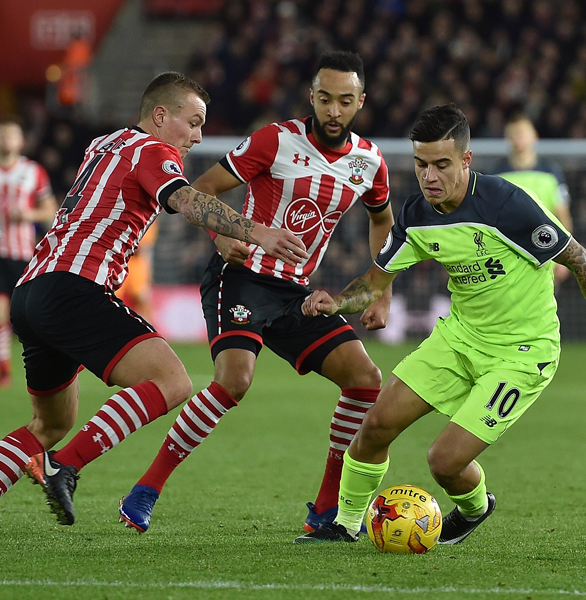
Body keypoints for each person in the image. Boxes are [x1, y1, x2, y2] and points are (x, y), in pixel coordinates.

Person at [0, 71, 307, 545]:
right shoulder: (154, 150)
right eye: (192, 123)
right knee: (172, 382)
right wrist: (257, 231)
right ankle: (65, 465)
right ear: (159, 116)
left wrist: (220, 233)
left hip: (32, 292)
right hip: (75, 288)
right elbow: (183, 198)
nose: (197, 135)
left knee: (51, 422)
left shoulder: (106, 143)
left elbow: (147, 198)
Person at [295, 104, 586, 545]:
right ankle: (343, 526)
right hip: (459, 339)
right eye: (421, 165)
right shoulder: (416, 215)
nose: (430, 176)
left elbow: (581, 261)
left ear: (466, 160)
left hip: (523, 353)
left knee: (444, 462)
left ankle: (476, 508)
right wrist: (336, 303)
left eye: (442, 164)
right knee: (376, 426)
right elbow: (374, 282)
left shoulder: (506, 204)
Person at [116, 50, 395, 534]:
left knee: (366, 379)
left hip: (297, 292)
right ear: (311, 96)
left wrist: (382, 291)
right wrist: (222, 236)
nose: (333, 110)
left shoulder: (369, 162)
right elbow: (201, 187)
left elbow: (382, 220)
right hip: (242, 276)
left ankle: (326, 509)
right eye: (324, 98)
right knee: (234, 381)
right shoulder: (276, 140)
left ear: (360, 101)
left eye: (344, 101)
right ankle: (146, 488)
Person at [0, 118, 57, 388]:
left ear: (21, 141)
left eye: (12, 135)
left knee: (29, 316)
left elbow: (51, 211)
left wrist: (30, 214)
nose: (6, 140)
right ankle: (4, 371)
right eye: (1, 135)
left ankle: (43, 367)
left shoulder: (34, 171)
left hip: (25, 255)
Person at [489, 113, 573, 282]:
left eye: (522, 133)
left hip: (545, 253)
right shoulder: (496, 174)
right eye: (514, 134)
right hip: (507, 257)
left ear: (534, 136)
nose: (518, 138)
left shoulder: (551, 172)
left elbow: (562, 215)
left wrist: (566, 257)